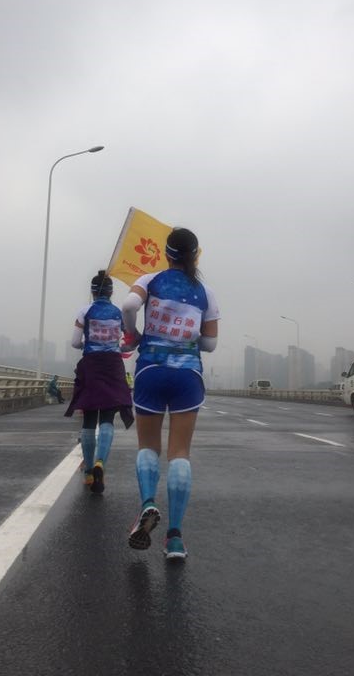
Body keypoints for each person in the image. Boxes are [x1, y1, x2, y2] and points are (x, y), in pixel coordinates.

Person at [121, 227, 220, 560]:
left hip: (150, 369)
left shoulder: (150, 280)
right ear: (195, 256)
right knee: (179, 452)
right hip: (187, 376)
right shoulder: (206, 292)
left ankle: (148, 504)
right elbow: (210, 344)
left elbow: (129, 305)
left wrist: (134, 334)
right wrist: (187, 337)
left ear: (166, 253)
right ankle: (174, 538)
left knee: (148, 446)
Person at [65, 270, 134, 494]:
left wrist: (87, 342)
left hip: (91, 365)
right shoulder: (119, 313)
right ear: (111, 292)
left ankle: (88, 473)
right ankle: (100, 462)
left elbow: (75, 342)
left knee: (89, 419)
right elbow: (129, 341)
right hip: (113, 365)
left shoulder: (85, 311)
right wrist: (119, 347)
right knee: (107, 417)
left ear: (93, 292)